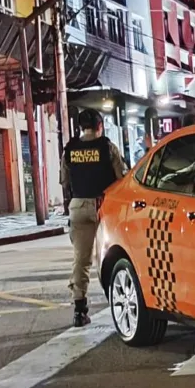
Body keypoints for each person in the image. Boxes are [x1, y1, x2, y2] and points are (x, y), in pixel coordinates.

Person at [60, 109, 127, 327]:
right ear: (100, 126)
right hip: (104, 206)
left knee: (81, 260)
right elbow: (122, 179)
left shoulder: (69, 150)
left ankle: (79, 310)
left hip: (78, 206)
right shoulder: (108, 148)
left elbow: (64, 181)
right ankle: (126, 298)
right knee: (121, 252)